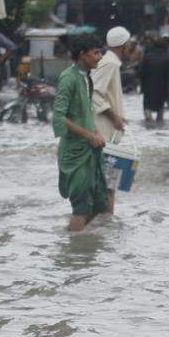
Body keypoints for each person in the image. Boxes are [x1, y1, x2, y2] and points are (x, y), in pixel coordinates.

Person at [53, 36, 108, 231]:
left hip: (90, 150)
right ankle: (71, 251)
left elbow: (84, 113)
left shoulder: (87, 78)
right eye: (95, 52)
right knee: (81, 206)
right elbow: (59, 117)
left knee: (100, 202)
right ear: (82, 55)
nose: (100, 57)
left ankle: (78, 250)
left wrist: (97, 132)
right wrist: (89, 136)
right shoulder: (69, 78)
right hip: (76, 152)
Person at [93, 26, 129, 148]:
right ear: (124, 46)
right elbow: (93, 93)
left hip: (106, 132)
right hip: (102, 132)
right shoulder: (110, 63)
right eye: (128, 44)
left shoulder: (110, 62)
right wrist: (114, 117)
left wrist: (118, 117)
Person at [140, 36, 169, 122]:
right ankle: (158, 120)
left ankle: (148, 117)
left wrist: (142, 86)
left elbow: (141, 73)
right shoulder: (167, 58)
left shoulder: (147, 57)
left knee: (147, 108)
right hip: (162, 88)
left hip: (148, 87)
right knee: (160, 111)